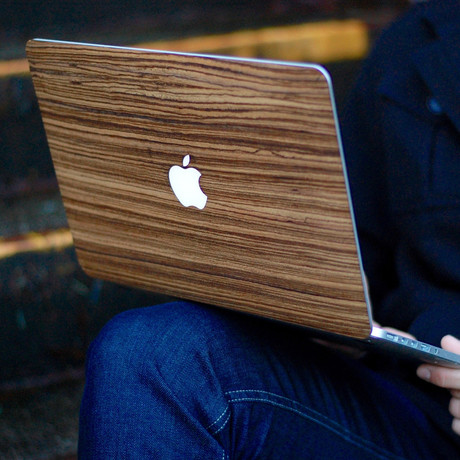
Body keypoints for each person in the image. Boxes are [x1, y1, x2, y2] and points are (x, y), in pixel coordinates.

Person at [78, 1, 460, 458]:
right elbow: (363, 255)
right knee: (149, 355)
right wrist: (326, 305)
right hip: (413, 408)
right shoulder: (415, 41)